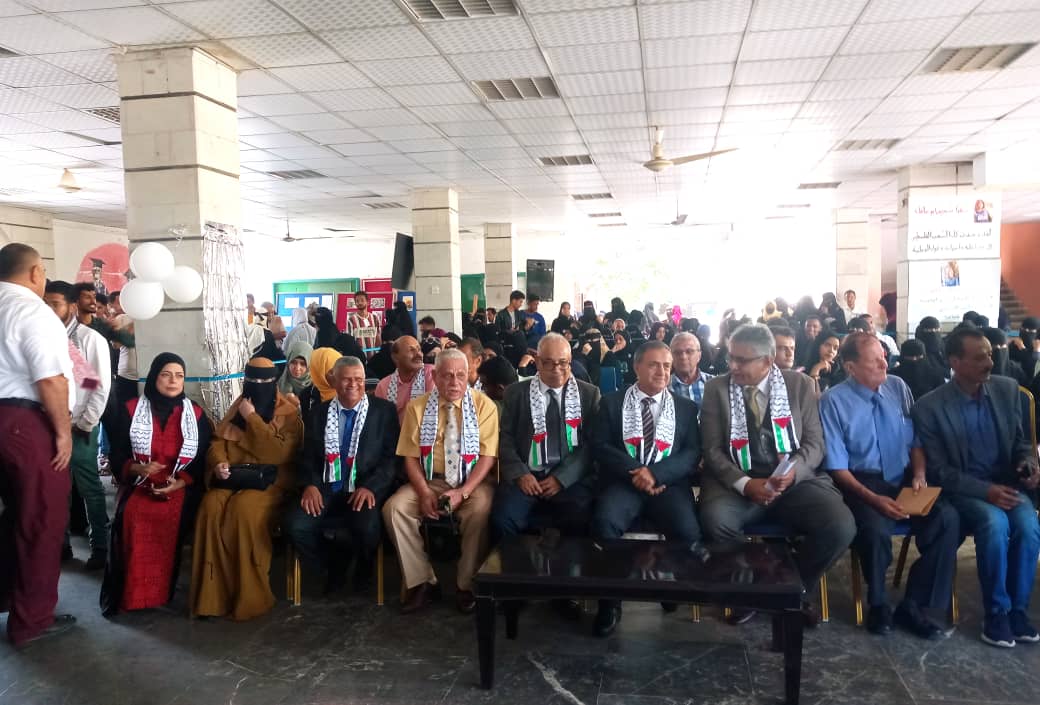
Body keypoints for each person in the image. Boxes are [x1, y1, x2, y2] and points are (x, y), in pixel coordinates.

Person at [699, 324, 855, 626]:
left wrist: (793, 472)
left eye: (742, 360)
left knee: (839, 526)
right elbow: (712, 451)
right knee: (716, 522)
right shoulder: (717, 388)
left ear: (768, 361)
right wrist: (745, 484)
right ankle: (748, 588)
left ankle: (789, 588)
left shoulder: (800, 385)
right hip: (737, 481)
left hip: (794, 482)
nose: (733, 366)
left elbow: (815, 444)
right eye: (731, 357)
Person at [819, 333, 958, 640]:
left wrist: (919, 474)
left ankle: (916, 603)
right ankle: (879, 602)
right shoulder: (834, 402)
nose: (885, 364)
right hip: (861, 481)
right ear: (851, 367)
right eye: (875, 360)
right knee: (874, 529)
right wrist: (874, 499)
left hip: (904, 476)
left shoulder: (897, 387)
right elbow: (837, 468)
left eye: (884, 356)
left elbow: (915, 440)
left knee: (947, 519)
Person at [912, 328, 1040, 647]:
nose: (990, 362)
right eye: (980, 357)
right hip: (965, 490)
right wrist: (986, 492)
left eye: (990, 354)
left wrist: (1028, 464)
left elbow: (1021, 442)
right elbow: (940, 471)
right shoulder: (930, 407)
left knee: (1028, 526)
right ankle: (997, 612)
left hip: (1007, 484)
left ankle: (1018, 610)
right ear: (955, 362)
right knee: (994, 524)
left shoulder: (1007, 389)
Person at [590, 341, 701, 637]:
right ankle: (610, 602)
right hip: (624, 482)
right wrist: (637, 473)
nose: (662, 372)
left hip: (668, 484)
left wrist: (655, 474)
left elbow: (691, 453)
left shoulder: (685, 408)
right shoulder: (611, 403)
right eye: (653, 365)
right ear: (636, 366)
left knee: (688, 530)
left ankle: (669, 586)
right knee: (604, 523)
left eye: (666, 366)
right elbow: (600, 446)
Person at [382, 350, 499, 615]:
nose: (455, 382)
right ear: (434, 376)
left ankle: (466, 584)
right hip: (430, 480)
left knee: (481, 509)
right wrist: (424, 492)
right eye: (447, 376)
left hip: (472, 481)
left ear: (469, 376)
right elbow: (410, 457)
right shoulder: (417, 407)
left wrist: (463, 492)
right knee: (394, 509)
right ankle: (422, 581)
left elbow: (488, 457)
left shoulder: (484, 406)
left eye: (461, 375)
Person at [0, 243, 76, 645]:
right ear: (35, 272)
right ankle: (32, 620)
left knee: (13, 517)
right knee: (41, 520)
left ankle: (9, 596)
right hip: (23, 423)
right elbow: (50, 379)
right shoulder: (31, 310)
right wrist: (62, 432)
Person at [190, 358, 304, 620]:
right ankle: (212, 598)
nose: (259, 385)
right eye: (253, 380)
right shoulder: (237, 408)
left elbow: (276, 453)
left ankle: (250, 597)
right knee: (210, 506)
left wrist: (252, 418)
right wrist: (218, 464)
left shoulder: (288, 414)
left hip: (271, 483)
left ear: (274, 382)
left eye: (265, 381)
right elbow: (218, 442)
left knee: (243, 510)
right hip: (234, 478)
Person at [100, 352, 212, 615]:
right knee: (133, 515)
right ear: (154, 377)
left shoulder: (195, 414)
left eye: (179, 376)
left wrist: (180, 483)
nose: (173, 381)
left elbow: (202, 458)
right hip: (139, 483)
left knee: (172, 517)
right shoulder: (130, 409)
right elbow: (117, 454)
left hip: (180, 487)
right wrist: (137, 468)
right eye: (166, 375)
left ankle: (159, 593)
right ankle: (132, 595)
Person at [283, 357, 400, 593]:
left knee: (368, 529)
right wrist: (310, 485)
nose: (353, 384)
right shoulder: (318, 413)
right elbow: (307, 455)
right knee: (296, 526)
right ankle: (331, 567)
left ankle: (363, 569)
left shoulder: (384, 411)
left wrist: (371, 487)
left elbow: (391, 459)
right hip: (326, 487)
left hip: (363, 488)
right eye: (346, 379)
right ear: (334, 381)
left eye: (359, 379)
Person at [492, 333, 600, 544]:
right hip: (527, 476)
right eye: (548, 362)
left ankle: (569, 566)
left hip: (570, 478)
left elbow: (590, 446)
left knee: (580, 517)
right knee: (502, 519)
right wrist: (521, 474)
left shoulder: (589, 394)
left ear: (570, 362)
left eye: (563, 363)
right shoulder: (516, 393)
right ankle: (518, 565)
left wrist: (562, 478)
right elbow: (506, 439)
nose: (556, 369)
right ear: (537, 361)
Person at [43, 281, 111, 569]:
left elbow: (97, 386)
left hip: (79, 426)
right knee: (58, 489)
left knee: (89, 488)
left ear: (71, 306)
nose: (48, 309)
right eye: (45, 303)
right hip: (49, 425)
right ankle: (62, 546)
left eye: (55, 304)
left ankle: (100, 546)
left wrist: (85, 423)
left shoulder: (85, 339)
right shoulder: (43, 335)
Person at [374, 335, 436, 422]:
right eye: (411, 350)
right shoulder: (383, 386)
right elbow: (381, 421)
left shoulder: (432, 374)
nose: (419, 354)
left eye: (419, 350)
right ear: (395, 357)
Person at [668, 332, 713, 407]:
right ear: (670, 356)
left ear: (699, 356)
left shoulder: (715, 385)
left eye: (689, 351)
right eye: (677, 352)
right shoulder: (663, 387)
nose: (683, 357)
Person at [278, 340, 314, 415]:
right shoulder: (279, 384)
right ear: (288, 361)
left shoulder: (315, 387)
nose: (297, 368)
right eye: (293, 362)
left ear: (309, 365)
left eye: (303, 364)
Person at [346, 291, 382, 360]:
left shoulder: (374, 318)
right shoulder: (351, 320)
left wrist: (379, 353)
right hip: (358, 358)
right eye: (357, 301)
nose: (359, 303)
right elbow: (350, 340)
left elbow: (378, 336)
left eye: (362, 300)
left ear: (367, 302)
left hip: (373, 357)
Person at [307, 346, 341, 411]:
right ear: (318, 371)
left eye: (341, 370)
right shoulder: (307, 397)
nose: (338, 375)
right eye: (331, 371)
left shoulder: (351, 394)